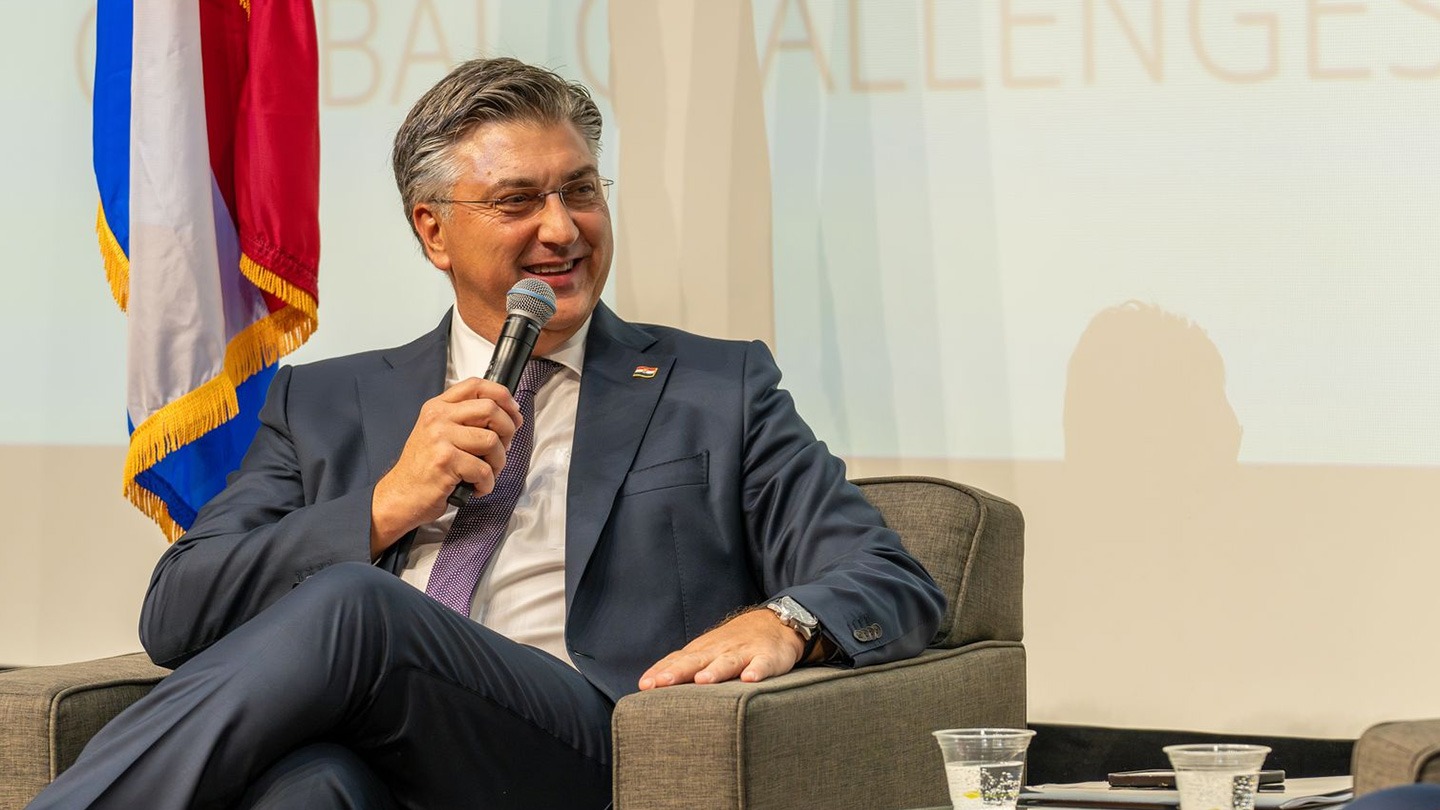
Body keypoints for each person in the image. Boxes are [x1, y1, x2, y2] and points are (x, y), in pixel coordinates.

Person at [29, 57, 944, 809]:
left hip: (586, 753)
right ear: (433, 231)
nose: (563, 229)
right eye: (518, 202)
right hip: (383, 765)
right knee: (309, 792)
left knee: (358, 606)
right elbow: (177, 609)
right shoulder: (323, 402)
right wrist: (384, 506)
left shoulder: (717, 386)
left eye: (581, 191)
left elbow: (887, 574)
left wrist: (783, 620)